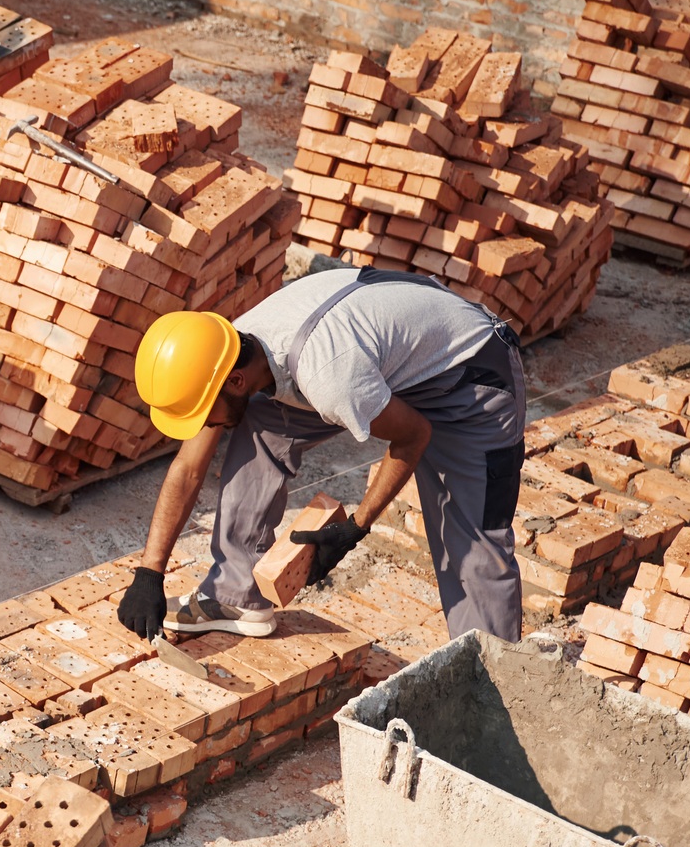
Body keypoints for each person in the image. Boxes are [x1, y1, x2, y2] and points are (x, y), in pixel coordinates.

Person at [115, 267, 527, 644]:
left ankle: (489, 680)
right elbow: (187, 468)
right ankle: (237, 594)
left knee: (472, 547)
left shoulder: (327, 375)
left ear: (235, 380)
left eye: (203, 413)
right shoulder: (225, 350)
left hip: (471, 378)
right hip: (382, 356)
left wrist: (356, 527)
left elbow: (414, 436)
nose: (204, 424)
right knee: (255, 419)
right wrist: (150, 572)